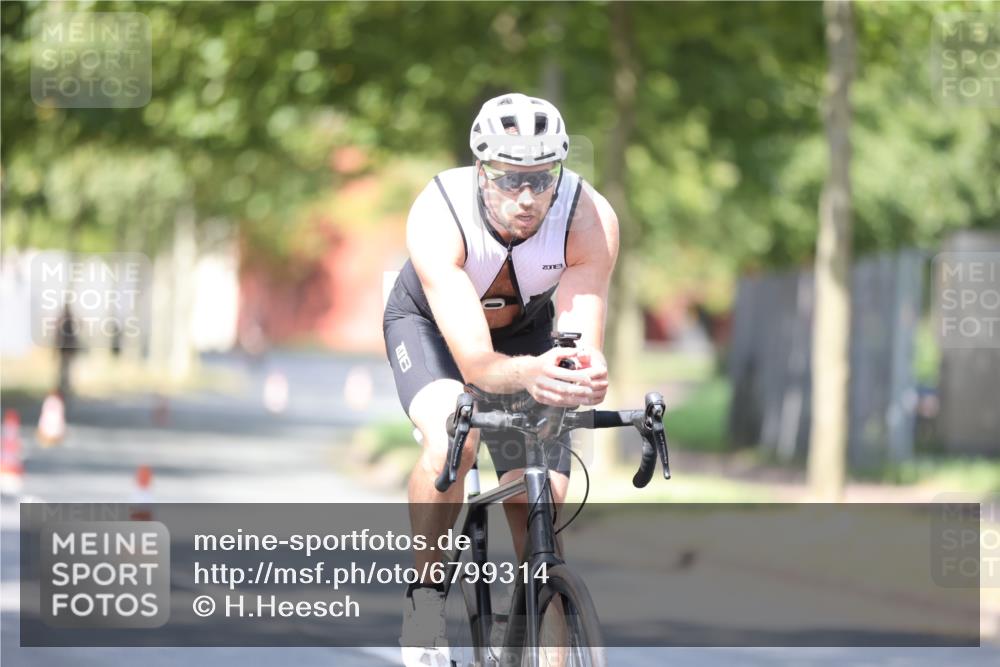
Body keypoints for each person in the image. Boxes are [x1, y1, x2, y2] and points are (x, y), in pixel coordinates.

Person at [383, 92, 619, 666]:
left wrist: (585, 375)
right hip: (435, 332)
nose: (527, 197)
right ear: (481, 169)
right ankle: (425, 600)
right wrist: (532, 375)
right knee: (453, 439)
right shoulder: (440, 214)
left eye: (541, 179)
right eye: (510, 178)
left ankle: (533, 614)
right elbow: (477, 367)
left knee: (541, 496)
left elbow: (580, 347)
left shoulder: (588, 217)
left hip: (526, 335)